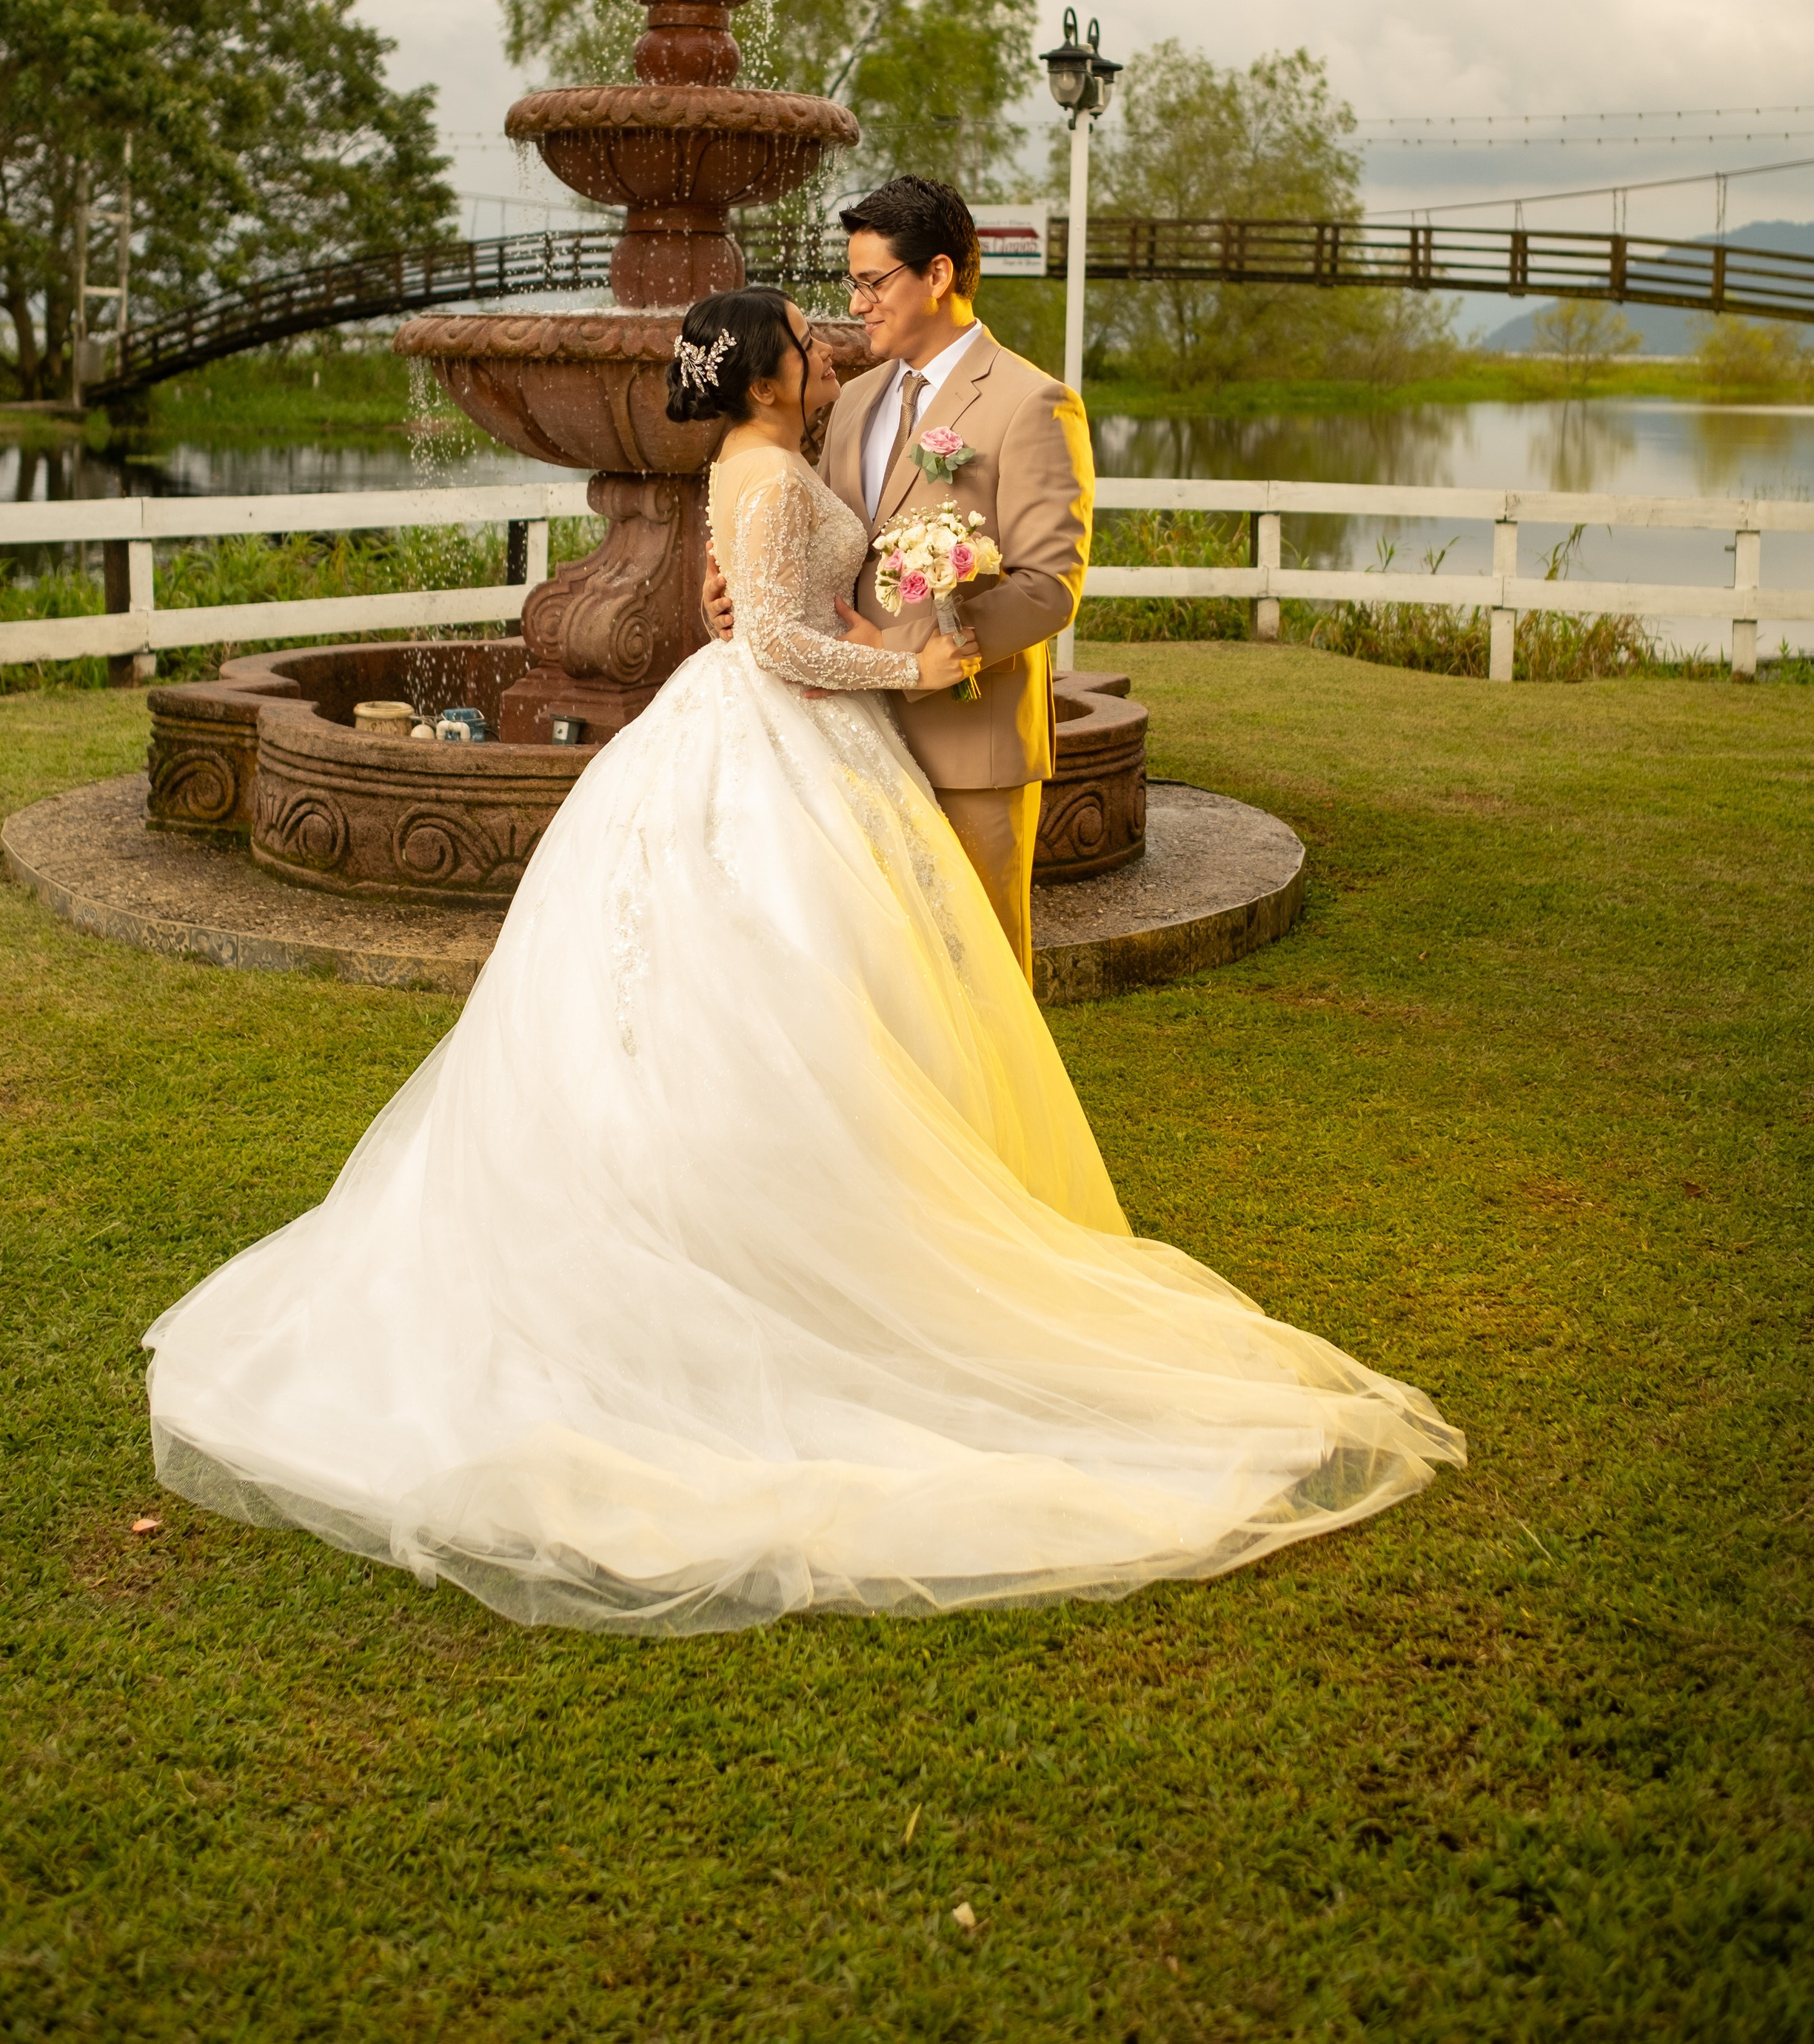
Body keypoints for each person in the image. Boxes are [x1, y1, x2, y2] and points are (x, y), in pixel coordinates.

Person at [143, 285, 1463, 1638]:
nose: (829, 338)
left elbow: (763, 598)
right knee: (779, 975)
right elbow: (773, 640)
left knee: (803, 983)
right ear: (770, 374)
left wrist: (896, 583)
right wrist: (916, 661)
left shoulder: (767, 458)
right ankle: (804, 1237)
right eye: (807, 333)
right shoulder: (767, 471)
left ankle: (842, 1193)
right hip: (779, 731)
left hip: (759, 730)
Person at [704, 176, 1087, 974]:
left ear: (939, 275)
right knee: (882, 985)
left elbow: (1050, 585)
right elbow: (822, 551)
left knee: (980, 977)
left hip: (968, 738)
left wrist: (917, 660)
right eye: (854, 283)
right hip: (847, 740)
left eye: (873, 281)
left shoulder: (1032, 402)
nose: (859, 302)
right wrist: (739, 603)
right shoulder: (849, 400)